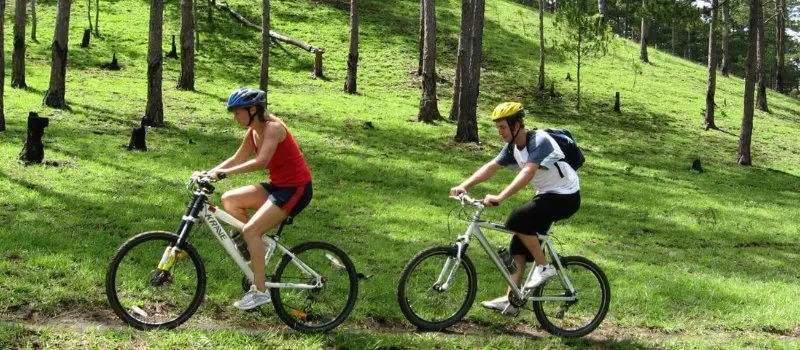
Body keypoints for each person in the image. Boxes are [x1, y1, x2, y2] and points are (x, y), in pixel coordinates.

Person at [449, 102, 581, 315]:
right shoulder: (513, 146)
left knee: (517, 220)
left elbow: (527, 173)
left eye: (502, 127)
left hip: (566, 196)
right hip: (547, 195)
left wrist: (500, 196)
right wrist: (464, 185)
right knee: (518, 243)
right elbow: (491, 167)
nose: (499, 132)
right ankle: (511, 301)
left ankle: (544, 267)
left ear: (517, 125)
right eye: (498, 128)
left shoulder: (539, 141)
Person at [195, 87, 313, 310]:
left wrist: (224, 174)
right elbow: (238, 157)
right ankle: (256, 247)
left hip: (296, 189)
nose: (235, 117)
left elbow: (261, 161)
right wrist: (208, 172)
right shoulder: (253, 131)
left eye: (238, 111)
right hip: (279, 186)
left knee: (251, 230)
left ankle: (260, 292)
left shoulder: (273, 128)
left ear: (253, 109)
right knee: (230, 199)